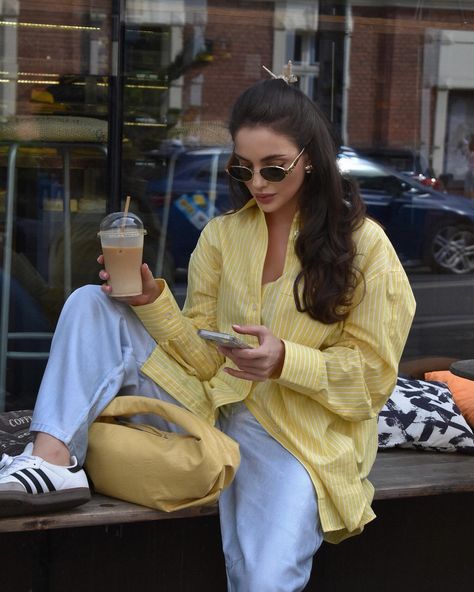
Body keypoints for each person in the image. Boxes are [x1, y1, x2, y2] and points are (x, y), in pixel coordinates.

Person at [0, 64, 415, 591]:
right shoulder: (223, 235)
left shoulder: (366, 247)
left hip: (296, 438)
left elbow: (374, 381)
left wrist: (285, 359)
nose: (258, 183)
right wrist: (152, 302)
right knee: (92, 302)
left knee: (265, 580)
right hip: (206, 406)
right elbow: (201, 355)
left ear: (311, 160)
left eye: (274, 168)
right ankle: (51, 462)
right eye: (243, 170)